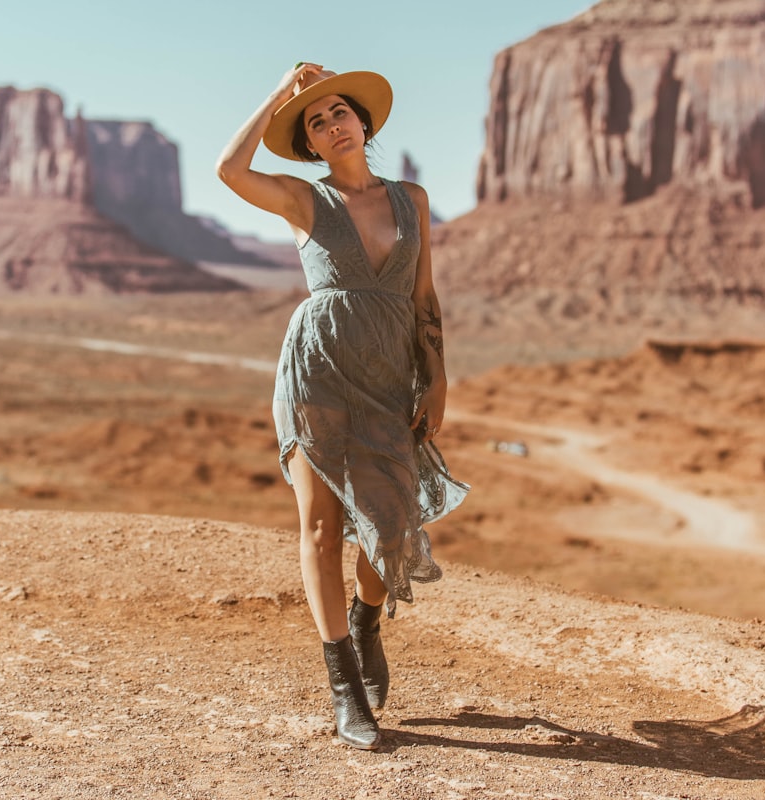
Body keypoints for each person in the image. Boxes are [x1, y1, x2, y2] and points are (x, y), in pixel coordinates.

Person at [216, 63, 468, 750]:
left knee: (389, 530)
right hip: (317, 375)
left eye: (337, 113)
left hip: (389, 376)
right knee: (324, 530)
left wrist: (436, 377)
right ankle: (344, 689)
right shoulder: (304, 200)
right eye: (314, 123)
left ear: (364, 122)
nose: (330, 126)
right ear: (311, 143)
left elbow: (423, 298)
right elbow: (227, 170)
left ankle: (365, 620)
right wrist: (277, 93)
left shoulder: (411, 197)